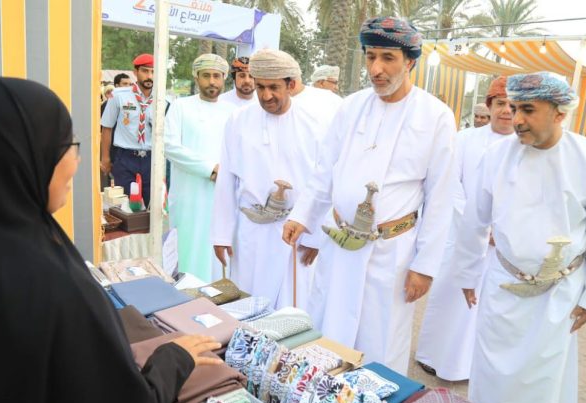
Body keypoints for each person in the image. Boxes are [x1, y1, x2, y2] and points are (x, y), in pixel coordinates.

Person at [0, 76, 222, 403]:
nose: (76, 161)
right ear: (19, 158)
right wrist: (174, 359)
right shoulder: (46, 288)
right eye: (66, 144)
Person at [282, 16, 457, 374]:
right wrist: (302, 215)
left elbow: (441, 198)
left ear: (410, 62)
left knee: (380, 344)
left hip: (390, 253)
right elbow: (325, 170)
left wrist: (424, 267)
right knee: (329, 334)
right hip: (339, 244)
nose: (376, 68)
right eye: (371, 56)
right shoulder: (351, 106)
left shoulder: (436, 116)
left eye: (388, 58)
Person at [451, 72, 586, 403]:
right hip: (502, 285)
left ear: (560, 113)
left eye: (528, 110)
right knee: (491, 378)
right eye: (514, 109)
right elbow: (474, 220)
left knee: (542, 385)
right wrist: (467, 273)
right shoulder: (496, 155)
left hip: (559, 293)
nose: (517, 119)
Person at [211, 49, 329, 309]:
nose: (266, 96)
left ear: (291, 85)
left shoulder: (314, 125)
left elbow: (323, 185)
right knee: (246, 303)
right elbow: (227, 180)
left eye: (274, 87)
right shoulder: (239, 120)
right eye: (260, 87)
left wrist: (314, 236)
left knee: (290, 309)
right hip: (251, 232)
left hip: (295, 236)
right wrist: (221, 234)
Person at [415, 76, 514, 381]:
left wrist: (503, 230)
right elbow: (450, 184)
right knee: (451, 296)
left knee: (492, 305)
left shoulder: (525, 146)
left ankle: (474, 366)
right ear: (489, 106)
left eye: (513, 105)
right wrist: (479, 225)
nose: (506, 111)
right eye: (500, 104)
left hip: (504, 243)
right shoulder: (465, 139)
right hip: (461, 233)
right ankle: (434, 357)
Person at [164, 54, 236, 283]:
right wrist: (209, 169)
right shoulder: (181, 106)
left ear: (224, 79)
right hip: (189, 194)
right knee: (189, 246)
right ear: (196, 78)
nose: (212, 81)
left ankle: (217, 294)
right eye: (206, 76)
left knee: (218, 245)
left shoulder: (233, 112)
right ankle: (187, 292)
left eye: (217, 76)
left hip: (223, 192)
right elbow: (169, 146)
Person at [100, 53, 156, 206]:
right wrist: (105, 158)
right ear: (135, 72)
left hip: (152, 159)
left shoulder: (163, 100)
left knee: (151, 206)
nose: (149, 76)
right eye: (145, 71)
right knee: (125, 205)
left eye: (153, 72)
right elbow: (107, 127)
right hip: (125, 158)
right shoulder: (119, 96)